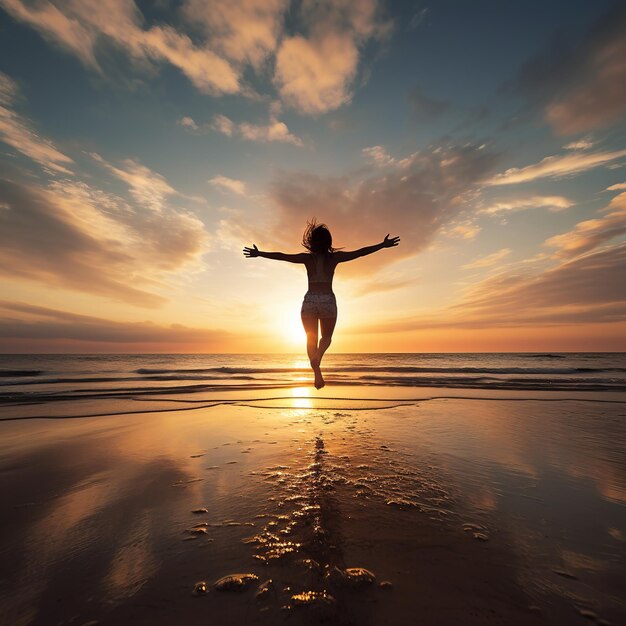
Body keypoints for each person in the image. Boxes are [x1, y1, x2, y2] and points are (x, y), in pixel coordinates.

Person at [243, 221, 400, 389]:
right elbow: (360, 253)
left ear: (312, 241)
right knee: (326, 338)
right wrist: (382, 245)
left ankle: (317, 372)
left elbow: (283, 256)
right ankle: (318, 356)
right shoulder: (334, 258)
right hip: (327, 300)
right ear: (329, 241)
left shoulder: (306, 258)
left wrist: (260, 254)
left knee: (311, 338)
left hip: (310, 300)